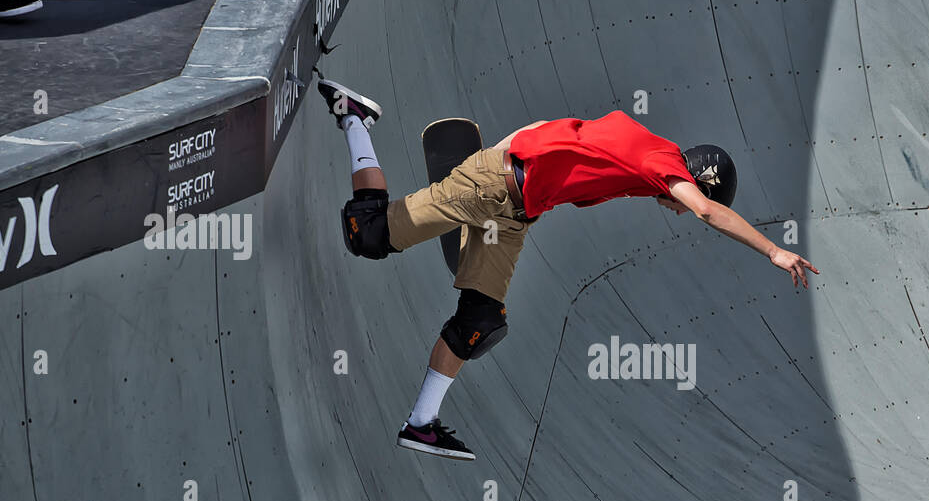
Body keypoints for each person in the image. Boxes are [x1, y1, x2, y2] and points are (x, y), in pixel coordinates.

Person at [316, 77, 818, 462]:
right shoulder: (662, 169)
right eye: (687, 200)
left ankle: (420, 423)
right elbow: (709, 212)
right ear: (699, 180)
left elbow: (547, 129)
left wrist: (508, 157)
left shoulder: (643, 146)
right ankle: (354, 117)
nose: (681, 210)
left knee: (482, 321)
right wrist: (773, 251)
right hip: (490, 185)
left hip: (515, 211)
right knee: (371, 235)